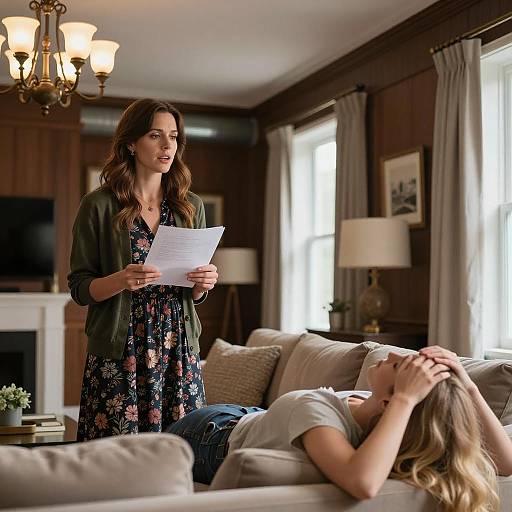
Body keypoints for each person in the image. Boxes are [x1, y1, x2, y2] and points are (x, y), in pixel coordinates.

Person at [167, 346, 512, 511]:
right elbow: (507, 464)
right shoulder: (386, 418)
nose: (390, 354)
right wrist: (466, 385)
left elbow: (362, 483)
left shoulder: (318, 410)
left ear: (397, 402)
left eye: (398, 364)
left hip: (213, 434)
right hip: (250, 419)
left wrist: (410, 397)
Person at [68, 98, 218, 441]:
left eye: (174, 136)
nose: (168, 146)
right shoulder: (99, 205)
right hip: (122, 349)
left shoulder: (190, 205)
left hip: (177, 346)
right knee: (114, 454)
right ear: (131, 143)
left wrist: (202, 283)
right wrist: (121, 279)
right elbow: (79, 288)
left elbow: (192, 292)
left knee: (182, 449)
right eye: (155, 135)